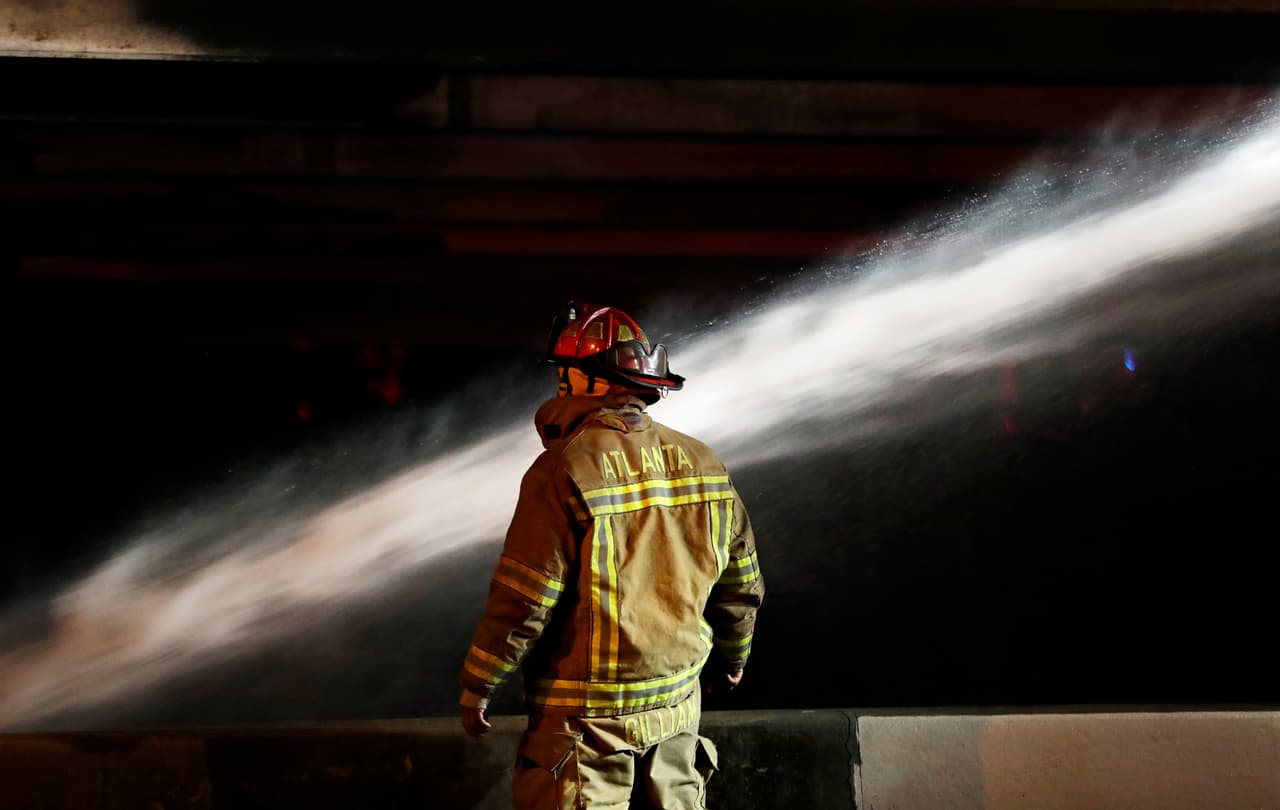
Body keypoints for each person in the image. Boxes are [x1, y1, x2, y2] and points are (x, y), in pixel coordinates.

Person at [458, 300, 765, 810]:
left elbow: (527, 596)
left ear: (589, 381)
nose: (560, 382)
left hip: (584, 731)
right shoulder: (702, 461)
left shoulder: (562, 468)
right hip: (676, 714)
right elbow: (743, 579)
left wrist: (480, 682)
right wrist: (734, 657)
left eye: (567, 371)